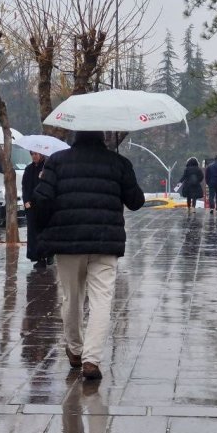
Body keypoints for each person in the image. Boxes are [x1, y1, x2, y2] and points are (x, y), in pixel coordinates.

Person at [31, 130, 144, 380]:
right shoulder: (118, 163)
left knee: (72, 297)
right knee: (102, 300)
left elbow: (42, 199)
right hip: (106, 242)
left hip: (68, 241)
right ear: (103, 137)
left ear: (76, 136)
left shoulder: (57, 161)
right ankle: (91, 360)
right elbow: (136, 201)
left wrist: (45, 231)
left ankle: (75, 349)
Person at [22, 151, 49, 268]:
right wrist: (26, 201)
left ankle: (46, 255)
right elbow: (25, 186)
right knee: (33, 232)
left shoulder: (46, 168)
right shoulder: (28, 169)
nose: (34, 156)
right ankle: (37, 256)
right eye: (32, 154)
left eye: (36, 154)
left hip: (43, 205)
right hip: (32, 206)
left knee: (43, 231)